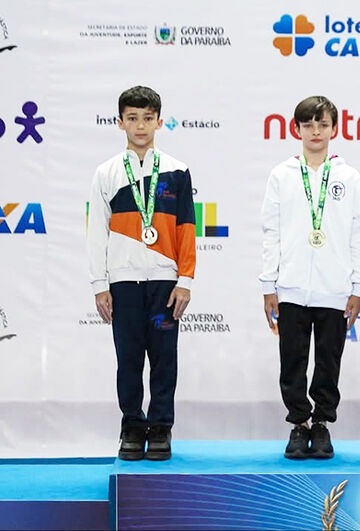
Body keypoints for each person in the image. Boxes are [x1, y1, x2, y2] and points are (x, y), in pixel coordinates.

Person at [87, 86, 195, 461]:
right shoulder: (106, 173)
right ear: (120, 122)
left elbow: (186, 229)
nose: (140, 125)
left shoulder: (177, 171)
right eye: (132, 118)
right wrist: (100, 285)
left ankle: (161, 427)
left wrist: (185, 281)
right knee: (129, 358)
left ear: (159, 122)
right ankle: (132, 425)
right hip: (123, 283)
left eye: (148, 118)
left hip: (165, 282)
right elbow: (96, 232)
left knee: (164, 358)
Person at [259, 95, 360, 459]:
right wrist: (269, 285)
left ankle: (321, 423)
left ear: (334, 128)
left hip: (335, 289)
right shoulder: (281, 175)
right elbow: (271, 232)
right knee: (292, 360)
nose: (316, 131)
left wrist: (358, 286)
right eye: (308, 125)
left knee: (328, 361)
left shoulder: (349, 177)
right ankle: (299, 424)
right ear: (297, 129)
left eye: (323, 124)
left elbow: (359, 233)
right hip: (290, 288)